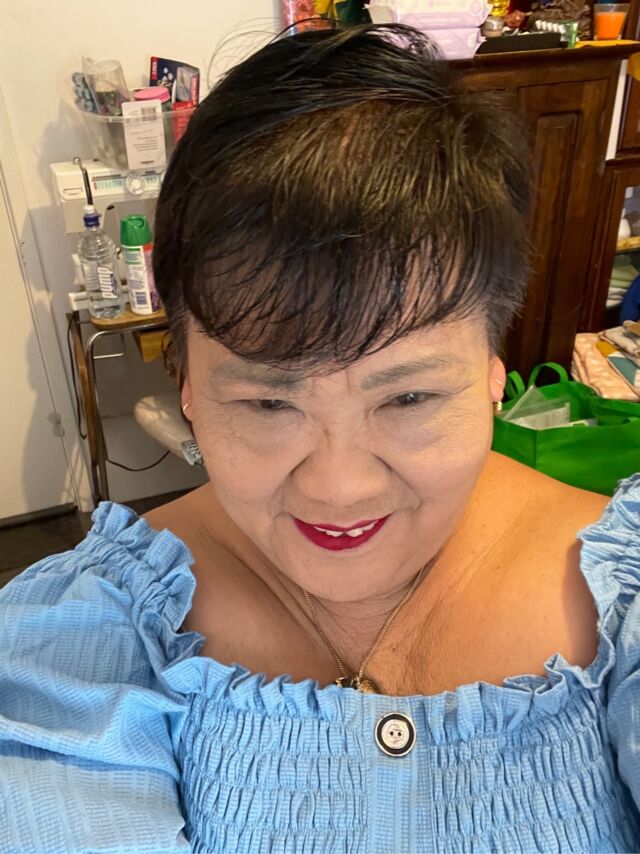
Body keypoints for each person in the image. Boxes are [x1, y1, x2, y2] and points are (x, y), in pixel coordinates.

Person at [1, 22, 639, 854]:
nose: (341, 488)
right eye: (269, 403)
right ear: (187, 385)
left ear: (493, 371)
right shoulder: (76, 643)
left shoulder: (621, 596)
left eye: (409, 396)